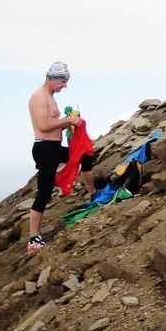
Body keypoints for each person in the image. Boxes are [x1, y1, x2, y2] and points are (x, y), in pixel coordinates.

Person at [27, 62, 95, 253]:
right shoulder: (38, 97)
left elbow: (54, 124)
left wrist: (70, 124)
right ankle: (34, 239)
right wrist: (68, 120)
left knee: (85, 155)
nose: (65, 85)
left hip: (54, 147)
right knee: (44, 192)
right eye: (63, 81)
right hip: (45, 149)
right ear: (52, 78)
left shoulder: (50, 96)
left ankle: (93, 195)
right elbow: (43, 126)